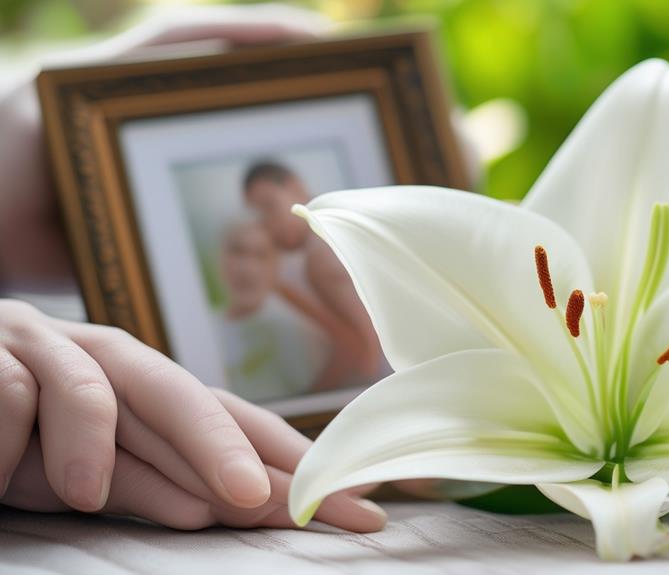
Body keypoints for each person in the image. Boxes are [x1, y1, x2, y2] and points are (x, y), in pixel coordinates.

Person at [0, 5, 387, 532]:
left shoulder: (318, 270)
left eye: (268, 216)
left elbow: (362, 356)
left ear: (297, 192)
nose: (268, 232)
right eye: (243, 239)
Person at [242, 160, 388, 385]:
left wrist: (315, 403)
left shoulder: (319, 258)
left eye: (270, 206)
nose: (268, 225)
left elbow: (368, 348)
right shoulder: (344, 227)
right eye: (260, 216)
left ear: (295, 186)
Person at [215, 221, 330, 402]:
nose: (247, 269)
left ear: (276, 265)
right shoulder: (204, 328)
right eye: (238, 252)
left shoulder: (297, 330)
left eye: (261, 256)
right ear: (221, 258)